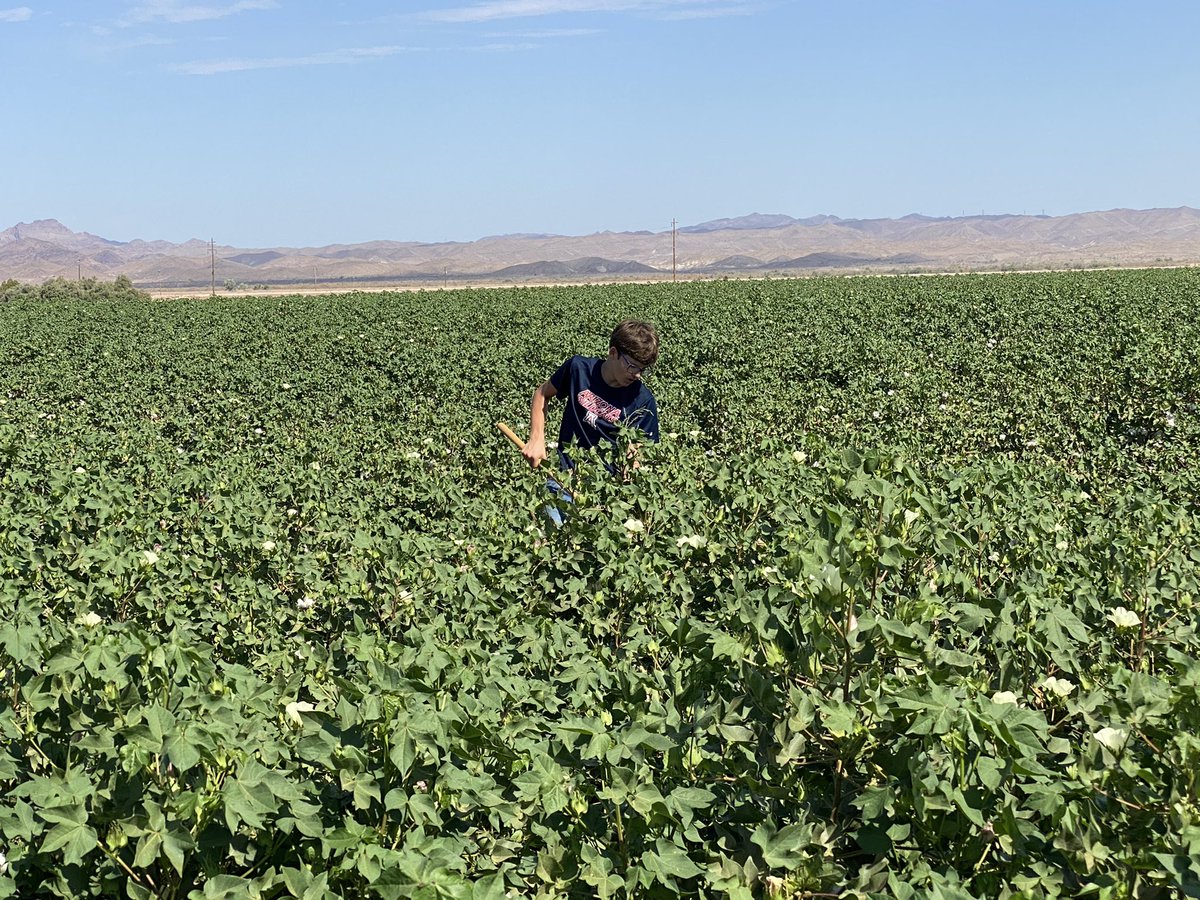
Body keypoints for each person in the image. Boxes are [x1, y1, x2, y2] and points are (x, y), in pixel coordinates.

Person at [522, 321, 660, 519]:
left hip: (607, 496)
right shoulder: (579, 369)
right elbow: (542, 393)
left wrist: (627, 480)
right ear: (613, 353)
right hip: (563, 478)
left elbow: (639, 455)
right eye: (632, 366)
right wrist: (536, 439)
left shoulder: (643, 401)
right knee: (552, 537)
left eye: (643, 369)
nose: (637, 375)